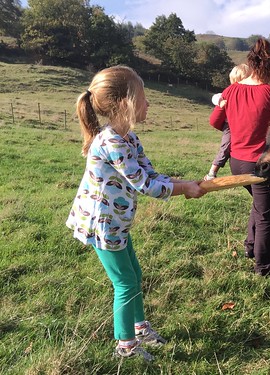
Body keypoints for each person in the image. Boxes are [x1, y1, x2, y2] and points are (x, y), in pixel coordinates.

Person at [66, 65, 206, 361]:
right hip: (102, 224)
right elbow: (145, 185)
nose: (148, 104)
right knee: (125, 282)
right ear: (123, 104)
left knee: (134, 275)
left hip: (117, 222)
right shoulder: (112, 142)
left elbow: (152, 174)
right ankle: (125, 346)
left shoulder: (129, 138)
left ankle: (140, 328)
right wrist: (185, 189)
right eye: (143, 97)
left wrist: (188, 184)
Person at [209, 38, 270, 276]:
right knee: (265, 216)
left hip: (237, 163)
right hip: (262, 165)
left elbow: (215, 121)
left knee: (258, 205)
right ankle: (264, 268)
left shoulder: (231, 90)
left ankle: (251, 247)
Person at [204, 63, 252, 181]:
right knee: (225, 147)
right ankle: (212, 172)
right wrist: (220, 103)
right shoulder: (229, 93)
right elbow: (215, 97)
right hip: (230, 126)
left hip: (240, 126)